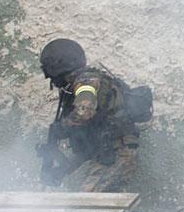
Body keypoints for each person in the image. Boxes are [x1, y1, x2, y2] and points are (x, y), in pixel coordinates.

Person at [38, 38, 139, 192]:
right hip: (110, 154)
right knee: (100, 206)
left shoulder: (86, 81)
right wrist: (62, 171)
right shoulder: (78, 86)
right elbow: (88, 150)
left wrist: (63, 127)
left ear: (59, 69)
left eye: (51, 75)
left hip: (117, 153)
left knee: (85, 203)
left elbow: (84, 111)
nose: (52, 80)